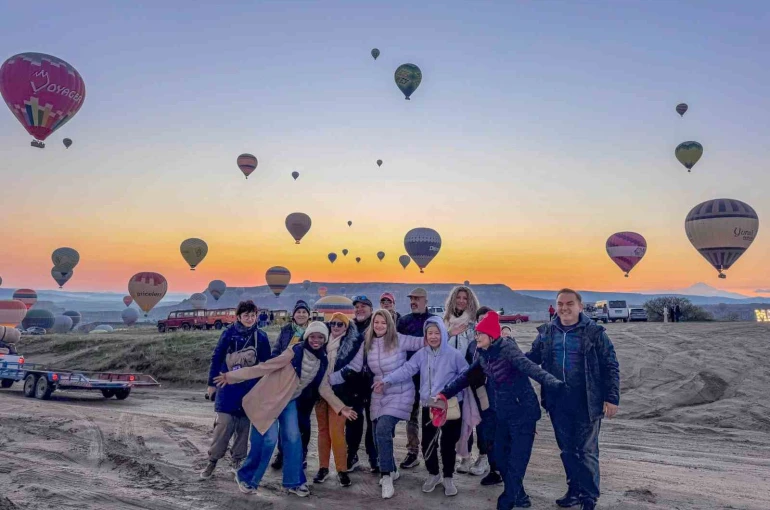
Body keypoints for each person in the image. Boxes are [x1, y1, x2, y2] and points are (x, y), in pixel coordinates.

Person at [213, 321, 358, 497]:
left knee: (293, 438)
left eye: (320, 337)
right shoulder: (293, 352)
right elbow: (265, 367)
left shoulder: (322, 360)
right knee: (268, 440)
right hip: (269, 400)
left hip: (289, 401)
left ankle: (294, 482)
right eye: (313, 336)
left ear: (325, 339)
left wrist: (341, 408)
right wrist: (231, 376)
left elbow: (324, 388)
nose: (316, 340)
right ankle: (247, 477)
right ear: (307, 337)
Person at [440, 311, 565, 509]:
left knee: (517, 460)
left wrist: (555, 384)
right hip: (503, 413)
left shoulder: (507, 349)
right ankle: (520, 496)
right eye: (476, 333)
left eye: (480, 333)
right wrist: (444, 394)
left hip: (523, 413)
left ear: (491, 335)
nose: (476, 337)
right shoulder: (484, 354)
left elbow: (530, 368)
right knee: (500, 456)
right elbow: (466, 377)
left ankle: (507, 501)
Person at [527, 289, 620, 510]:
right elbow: (531, 359)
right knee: (567, 451)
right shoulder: (547, 333)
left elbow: (610, 365)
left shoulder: (594, 333)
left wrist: (611, 398)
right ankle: (574, 491)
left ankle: (589, 497)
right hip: (558, 401)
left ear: (580, 306)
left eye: (569, 303)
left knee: (587, 452)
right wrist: (506, 352)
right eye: (560, 304)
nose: (564, 308)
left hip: (587, 401)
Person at [330, 309, 425, 499]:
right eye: (376, 322)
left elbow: (425, 341)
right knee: (376, 436)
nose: (379, 326)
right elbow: (353, 367)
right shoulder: (368, 343)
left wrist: (448, 332)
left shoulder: (399, 339)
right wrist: (327, 381)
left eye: (383, 322)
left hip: (400, 390)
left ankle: (386, 476)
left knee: (383, 428)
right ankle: (393, 469)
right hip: (378, 392)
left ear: (389, 324)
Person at [379, 317, 469, 497]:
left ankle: (448, 477)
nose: (433, 337)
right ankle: (433, 474)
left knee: (448, 443)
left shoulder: (454, 355)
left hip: (450, 406)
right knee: (428, 443)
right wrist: (387, 380)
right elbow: (407, 369)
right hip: (430, 405)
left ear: (443, 334)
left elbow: (465, 375)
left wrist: (453, 392)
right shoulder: (422, 354)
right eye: (430, 333)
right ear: (425, 335)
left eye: (437, 333)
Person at [201, 300, 271, 479]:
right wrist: (211, 384)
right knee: (224, 425)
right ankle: (213, 460)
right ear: (238, 317)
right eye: (246, 315)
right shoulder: (228, 334)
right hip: (227, 386)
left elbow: (266, 365)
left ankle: (238, 460)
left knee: (243, 427)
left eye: (253, 315)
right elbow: (217, 358)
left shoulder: (261, 337)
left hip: (250, 389)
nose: (250, 318)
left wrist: (264, 389)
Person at [313, 313, 362, 487]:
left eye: (340, 324)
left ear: (346, 327)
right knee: (323, 431)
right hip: (320, 395)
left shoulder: (351, 345)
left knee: (337, 432)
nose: (335, 327)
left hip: (340, 395)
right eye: (333, 323)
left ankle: (342, 469)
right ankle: (323, 468)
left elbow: (353, 369)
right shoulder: (322, 342)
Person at [442, 285, 480, 473]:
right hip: (447, 377)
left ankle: (467, 456)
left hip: (467, 377)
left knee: (467, 417)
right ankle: (451, 456)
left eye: (465, 298)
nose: (462, 301)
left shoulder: (473, 324)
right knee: (451, 417)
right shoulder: (444, 322)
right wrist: (450, 333)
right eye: (459, 297)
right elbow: (436, 345)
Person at [271, 300, 312, 470]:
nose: (301, 314)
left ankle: (301, 454)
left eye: (304, 312)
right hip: (286, 381)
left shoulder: (313, 330)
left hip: (306, 382)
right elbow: (276, 351)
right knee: (285, 420)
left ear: (309, 314)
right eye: (298, 312)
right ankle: (282, 453)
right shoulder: (286, 330)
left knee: (303, 421)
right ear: (293, 314)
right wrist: (273, 366)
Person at [396, 287, 434, 470]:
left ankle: (431, 452)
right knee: (411, 416)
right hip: (409, 376)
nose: (413, 302)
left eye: (417, 299)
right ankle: (412, 452)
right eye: (411, 299)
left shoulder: (433, 321)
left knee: (430, 417)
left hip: (430, 377)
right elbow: (396, 346)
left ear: (425, 301)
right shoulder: (403, 322)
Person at [345, 295, 379, 472]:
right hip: (354, 382)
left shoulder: (378, 327)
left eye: (363, 306)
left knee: (374, 420)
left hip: (373, 381)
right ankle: (352, 455)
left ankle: (374, 456)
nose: (359, 309)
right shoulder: (349, 328)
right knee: (353, 420)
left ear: (371, 309)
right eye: (357, 307)